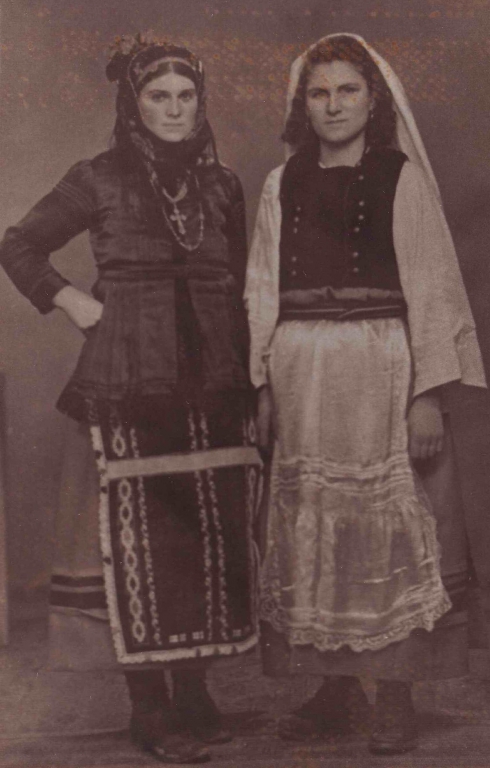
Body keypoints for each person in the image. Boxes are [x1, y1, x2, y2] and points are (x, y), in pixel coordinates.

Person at [0, 33, 261, 765]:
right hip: (126, 385)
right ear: (133, 104)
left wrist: (252, 381)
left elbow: (242, 287)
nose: (174, 110)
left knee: (207, 540)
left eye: (186, 97)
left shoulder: (223, 185)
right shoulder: (98, 176)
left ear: (200, 104)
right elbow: (17, 245)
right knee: (138, 544)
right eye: (157, 97)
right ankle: (149, 707)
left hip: (214, 385)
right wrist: (71, 301)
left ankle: (194, 692)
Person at [245, 33, 487, 756]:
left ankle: (396, 693)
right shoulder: (281, 183)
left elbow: (432, 287)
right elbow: (261, 288)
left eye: (347, 90)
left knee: (382, 525)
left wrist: (427, 395)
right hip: (301, 374)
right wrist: (261, 385)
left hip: (381, 368)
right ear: (303, 105)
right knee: (315, 522)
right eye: (319, 93)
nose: (333, 105)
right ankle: (335, 689)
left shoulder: (399, 177)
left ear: (372, 100)